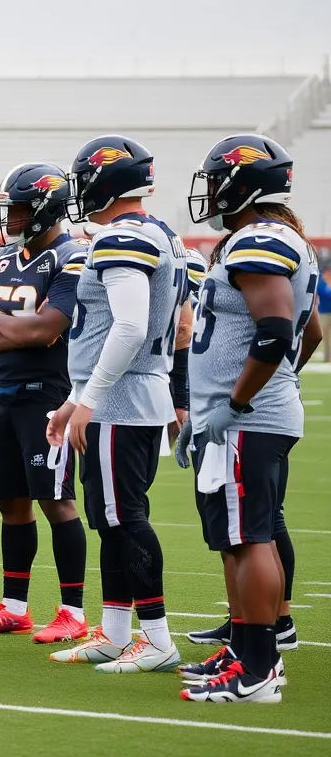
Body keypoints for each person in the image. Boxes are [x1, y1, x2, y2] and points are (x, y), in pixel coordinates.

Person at [175, 134, 321, 702]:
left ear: (243, 182)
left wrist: (238, 401)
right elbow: (310, 334)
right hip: (247, 414)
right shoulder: (276, 238)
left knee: (249, 536)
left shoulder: (260, 238)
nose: (211, 192)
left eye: (218, 180)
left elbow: (279, 330)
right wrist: (268, 383)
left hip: (245, 419)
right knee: (237, 538)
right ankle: (246, 652)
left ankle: (257, 671)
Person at [45, 135, 184, 673]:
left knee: (125, 518)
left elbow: (127, 326)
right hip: (125, 395)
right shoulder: (156, 232)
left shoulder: (122, 236)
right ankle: (117, 632)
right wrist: (75, 398)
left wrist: (91, 399)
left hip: (122, 401)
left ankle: (156, 638)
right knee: (111, 519)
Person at [0, 163, 89, 642]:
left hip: (47, 398)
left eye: (17, 208)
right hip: (1, 394)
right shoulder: (4, 260)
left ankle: (73, 611)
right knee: (12, 505)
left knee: (57, 502)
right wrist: (21, 332)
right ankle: (15, 606)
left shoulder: (72, 257)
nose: (9, 218)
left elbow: (48, 328)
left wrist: (5, 326)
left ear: (44, 209)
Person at [319, 266, 331, 362]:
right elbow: (322, 294)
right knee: (325, 336)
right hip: (323, 313)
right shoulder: (321, 285)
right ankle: (327, 357)